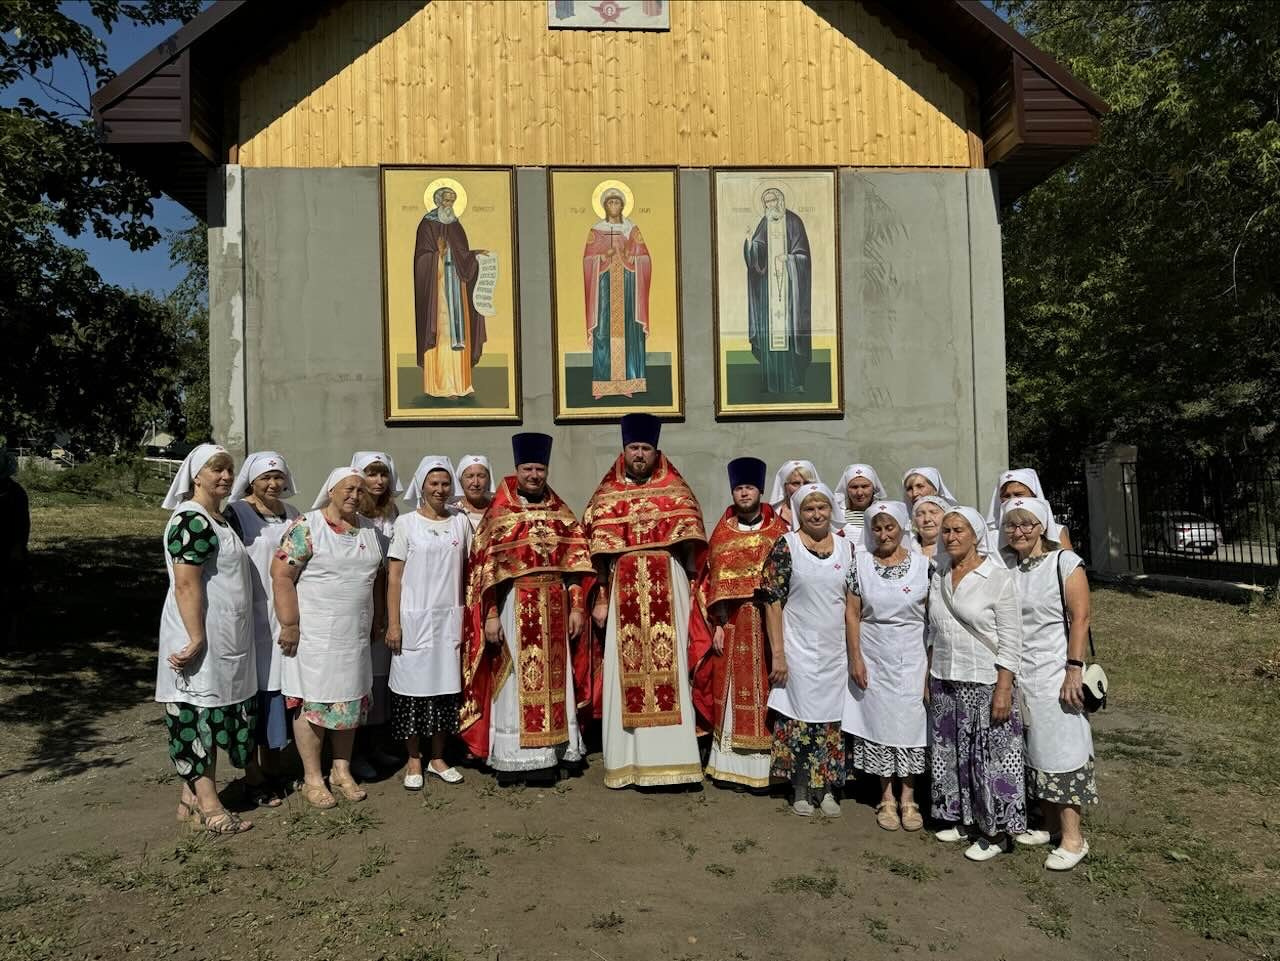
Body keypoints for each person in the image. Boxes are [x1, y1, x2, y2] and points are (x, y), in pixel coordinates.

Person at [461, 433, 594, 784]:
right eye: (527, 468)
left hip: (554, 606)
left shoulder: (561, 513)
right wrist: (490, 615)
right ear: (517, 469)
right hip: (513, 605)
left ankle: (555, 752)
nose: (534, 475)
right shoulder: (500, 514)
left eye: (539, 468)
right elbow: (484, 572)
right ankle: (516, 757)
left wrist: (577, 608)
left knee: (556, 679)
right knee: (516, 678)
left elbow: (576, 567)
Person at [585, 413, 708, 789]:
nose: (640, 454)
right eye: (634, 448)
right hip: (622, 587)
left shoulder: (677, 491)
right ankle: (627, 763)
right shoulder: (606, 496)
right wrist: (602, 597)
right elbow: (597, 556)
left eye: (646, 448)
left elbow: (692, 549)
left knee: (673, 668)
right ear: (624, 451)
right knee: (626, 673)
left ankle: (676, 761)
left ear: (657, 451)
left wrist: (690, 591)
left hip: (667, 585)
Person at [155, 444, 257, 835]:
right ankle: (210, 806)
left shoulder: (220, 518)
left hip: (223, 635)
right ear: (196, 475)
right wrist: (196, 636)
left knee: (211, 715)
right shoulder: (191, 521)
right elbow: (185, 583)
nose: (226, 477)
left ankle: (189, 799)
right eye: (216, 470)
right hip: (198, 635)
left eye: (229, 470)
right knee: (195, 716)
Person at [272, 468, 387, 808]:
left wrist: (378, 617)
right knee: (313, 702)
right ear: (331, 490)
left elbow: (378, 578)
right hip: (315, 637)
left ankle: (341, 770)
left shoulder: (370, 531)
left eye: (360, 490)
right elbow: (281, 575)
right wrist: (289, 624)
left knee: (348, 702)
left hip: (353, 636)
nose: (354, 495)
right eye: (348, 489)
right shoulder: (308, 527)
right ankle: (311, 777)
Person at [1000, 497, 1095, 870]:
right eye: (1011, 525)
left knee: (1061, 750)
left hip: (1055, 671)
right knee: (1033, 748)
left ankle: (1074, 838)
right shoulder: (1009, 566)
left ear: (1042, 526)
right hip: (1021, 672)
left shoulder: (1064, 562)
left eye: (1026, 524)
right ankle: (1050, 824)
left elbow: (1081, 617)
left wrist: (1074, 667)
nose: (1019, 532)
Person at [927, 506, 1026, 861]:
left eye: (959, 531)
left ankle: (996, 831)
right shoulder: (938, 573)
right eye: (947, 531)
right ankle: (962, 819)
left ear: (976, 535)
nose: (951, 537)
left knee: (990, 757)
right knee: (952, 754)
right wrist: (929, 673)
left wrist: (1004, 687)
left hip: (985, 679)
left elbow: (1012, 640)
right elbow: (932, 630)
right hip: (945, 677)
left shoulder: (996, 578)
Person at [690, 457, 790, 790]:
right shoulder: (722, 533)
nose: (743, 493)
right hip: (732, 625)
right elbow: (710, 582)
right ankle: (730, 767)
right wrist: (716, 624)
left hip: (771, 623)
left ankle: (768, 770)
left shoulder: (779, 531)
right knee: (732, 694)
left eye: (749, 488)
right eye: (738, 488)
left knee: (771, 690)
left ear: (760, 491)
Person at [761, 482, 850, 816]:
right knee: (798, 718)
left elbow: (853, 603)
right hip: (797, 648)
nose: (816, 514)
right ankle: (800, 785)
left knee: (831, 720)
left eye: (822, 507)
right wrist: (779, 653)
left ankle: (826, 788)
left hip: (835, 653)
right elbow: (772, 601)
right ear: (799, 511)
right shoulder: (786, 546)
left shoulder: (847, 550)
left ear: (831, 510)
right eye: (809, 508)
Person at [843, 500, 930, 831]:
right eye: (877, 528)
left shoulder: (924, 567)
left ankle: (909, 798)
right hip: (874, 652)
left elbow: (932, 617)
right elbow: (852, 613)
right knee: (879, 723)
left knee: (911, 724)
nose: (883, 534)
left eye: (889, 527)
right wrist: (856, 657)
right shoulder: (860, 564)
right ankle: (886, 798)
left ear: (902, 527)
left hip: (913, 653)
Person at [386, 456, 471, 790]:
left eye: (445, 483)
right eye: (433, 484)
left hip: (448, 619)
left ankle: (437, 757)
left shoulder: (460, 522)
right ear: (421, 486)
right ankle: (414, 759)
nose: (440, 489)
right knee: (411, 694)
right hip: (413, 619)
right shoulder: (406, 524)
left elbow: (471, 568)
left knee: (445, 692)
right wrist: (394, 623)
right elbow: (394, 577)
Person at [226, 451, 300, 806]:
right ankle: (251, 772)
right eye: (265, 478)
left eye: (278, 477)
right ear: (251, 481)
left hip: (284, 614)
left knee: (279, 691)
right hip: (249, 616)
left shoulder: (294, 517)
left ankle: (274, 766)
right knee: (253, 690)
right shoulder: (236, 515)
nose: (273, 484)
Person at [350, 450, 403, 778]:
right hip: (359, 603)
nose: (378, 481)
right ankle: (353, 753)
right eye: (371, 474)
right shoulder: (353, 513)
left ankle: (375, 745)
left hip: (385, 603)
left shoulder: (392, 512)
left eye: (383, 474)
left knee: (380, 681)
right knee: (358, 678)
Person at [413, 185, 488, 398]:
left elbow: (462, 255)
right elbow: (421, 258)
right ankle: (440, 386)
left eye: (452, 202)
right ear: (438, 201)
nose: (450, 206)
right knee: (443, 332)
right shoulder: (427, 225)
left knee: (460, 331)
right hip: (438, 292)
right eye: (446, 201)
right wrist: (438, 254)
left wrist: (475, 256)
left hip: (457, 287)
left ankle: (460, 384)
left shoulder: (456, 225)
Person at [584, 186, 652, 398]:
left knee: (630, 333)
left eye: (617, 202)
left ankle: (628, 384)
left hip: (627, 285)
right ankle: (602, 386)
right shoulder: (596, 230)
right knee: (603, 331)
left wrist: (632, 258)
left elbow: (645, 258)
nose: (614, 206)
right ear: (605, 206)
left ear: (622, 206)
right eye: (610, 203)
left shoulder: (632, 229)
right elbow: (587, 260)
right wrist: (603, 257)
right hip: (604, 287)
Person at [744, 187, 812, 394]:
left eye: (772, 201)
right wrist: (750, 244)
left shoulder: (794, 222)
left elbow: (804, 258)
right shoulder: (764, 223)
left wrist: (789, 259)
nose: (769, 206)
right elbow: (756, 257)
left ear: (780, 201)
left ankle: (794, 381)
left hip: (790, 294)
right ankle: (772, 383)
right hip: (769, 292)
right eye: (766, 203)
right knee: (770, 338)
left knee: (790, 336)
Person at [984, 468, 1073, 552]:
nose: (1012, 500)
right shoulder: (993, 537)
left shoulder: (1056, 532)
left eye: (1018, 494)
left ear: (1033, 496)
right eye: (1006, 496)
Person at [0, 449, 29, 649]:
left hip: (9, 549)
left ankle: (11, 637)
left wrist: (18, 548)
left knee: (11, 595)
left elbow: (22, 524)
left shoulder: (15, 493)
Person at [834, 463, 885, 546]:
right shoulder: (837, 519)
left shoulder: (884, 516)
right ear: (846, 489)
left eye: (865, 486)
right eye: (854, 487)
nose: (859, 493)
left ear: (874, 488)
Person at [452, 453, 495, 534]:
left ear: (489, 480)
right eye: (470, 476)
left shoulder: (497, 510)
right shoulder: (452, 511)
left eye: (481, 476)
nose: (475, 483)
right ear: (460, 480)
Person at [769, 459, 819, 528]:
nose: (802, 488)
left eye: (807, 483)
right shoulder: (772, 516)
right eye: (796, 483)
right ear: (785, 487)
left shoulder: (822, 516)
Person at [912, 494, 950, 565]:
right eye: (920, 514)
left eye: (934, 512)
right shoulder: (908, 550)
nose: (927, 519)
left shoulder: (954, 550)